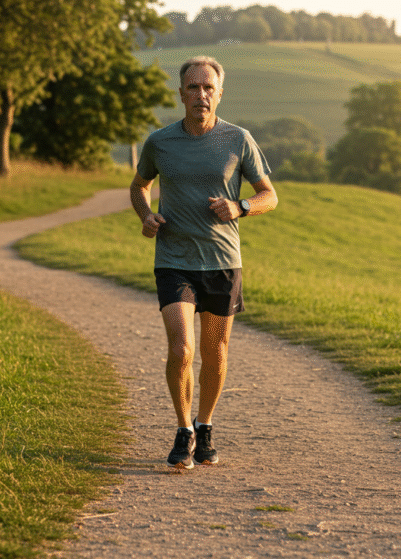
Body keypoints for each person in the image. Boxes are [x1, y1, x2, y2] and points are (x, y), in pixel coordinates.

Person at [129, 55, 278, 469]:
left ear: (220, 93)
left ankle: (205, 423)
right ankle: (183, 430)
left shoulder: (238, 139)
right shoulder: (160, 142)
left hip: (222, 261)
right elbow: (140, 185)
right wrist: (146, 216)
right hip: (174, 260)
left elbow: (270, 194)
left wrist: (240, 206)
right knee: (181, 348)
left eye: (208, 87)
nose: (201, 95)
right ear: (181, 94)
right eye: (193, 88)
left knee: (215, 352)